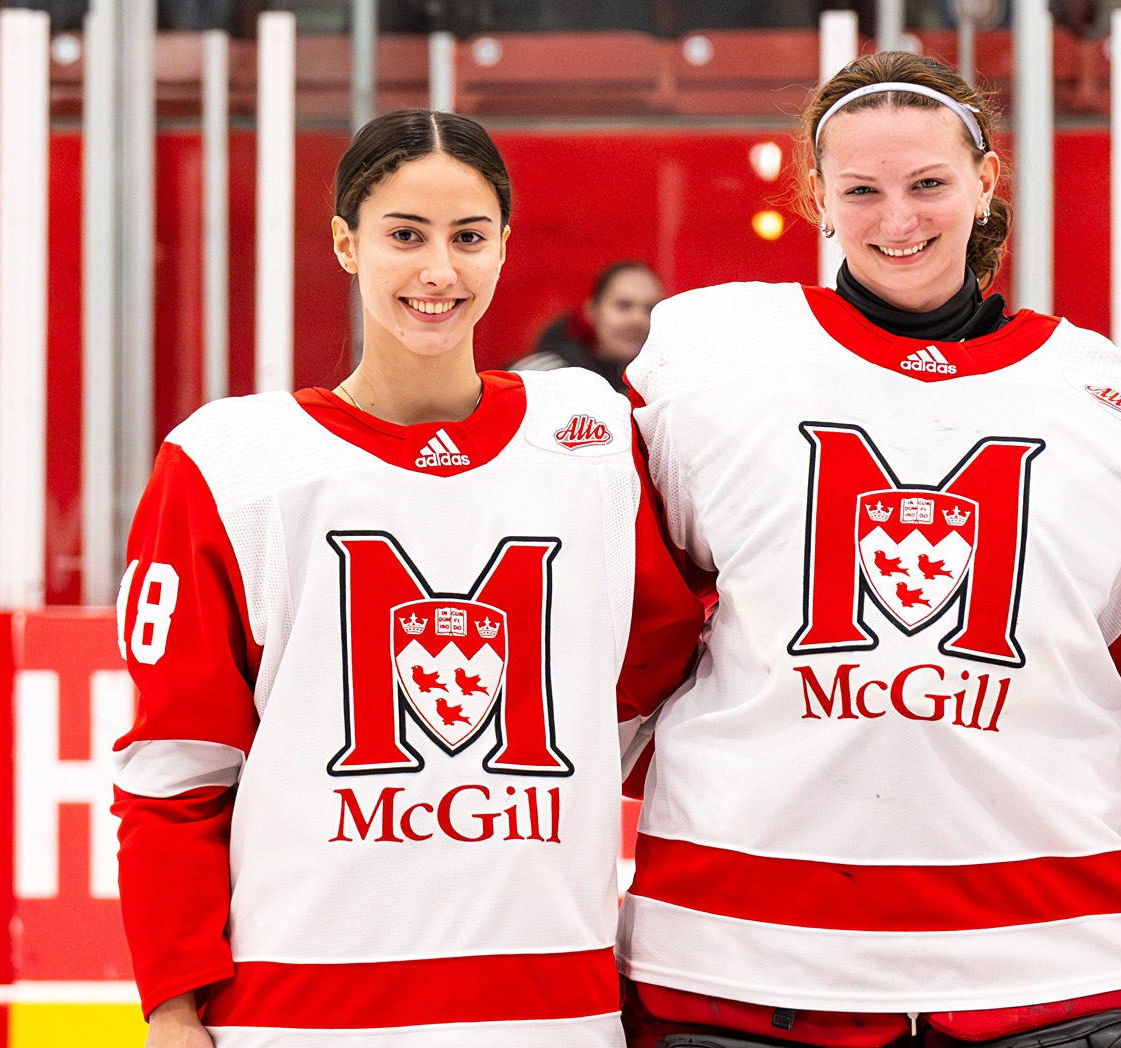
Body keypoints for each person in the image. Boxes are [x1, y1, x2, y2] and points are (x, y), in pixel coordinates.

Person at [617, 51, 1121, 1048]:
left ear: (985, 181)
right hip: (745, 954)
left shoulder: (1115, 401)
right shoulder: (712, 363)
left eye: (928, 184)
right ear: (815, 198)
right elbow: (633, 624)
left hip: (1053, 951)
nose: (899, 219)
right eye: (862, 190)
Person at [110, 109, 703, 1048]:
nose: (439, 271)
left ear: (506, 246)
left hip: (555, 1010)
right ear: (346, 242)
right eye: (404, 236)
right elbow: (177, 772)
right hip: (302, 1016)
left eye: (469, 237)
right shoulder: (233, 464)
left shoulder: (586, 435)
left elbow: (654, 674)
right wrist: (173, 1006)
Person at [512, 259, 664, 391]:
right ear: (592, 311)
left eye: (651, 308)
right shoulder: (541, 377)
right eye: (623, 305)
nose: (638, 319)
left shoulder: (662, 386)